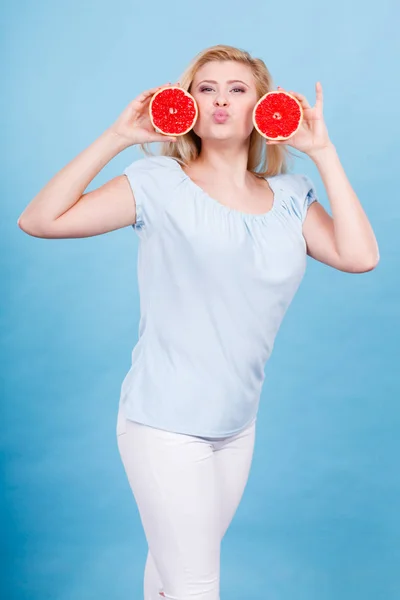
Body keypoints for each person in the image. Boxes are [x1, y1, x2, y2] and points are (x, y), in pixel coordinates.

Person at [18, 44, 379, 600]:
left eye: (237, 89)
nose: (219, 100)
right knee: (195, 587)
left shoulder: (290, 198)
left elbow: (359, 257)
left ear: (264, 106)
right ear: (186, 103)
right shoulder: (158, 183)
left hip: (236, 427)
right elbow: (39, 219)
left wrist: (325, 154)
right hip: (164, 422)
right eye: (205, 88)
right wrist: (117, 138)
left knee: (169, 581)